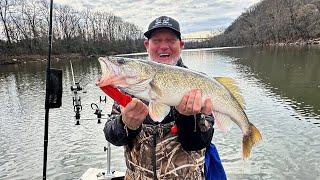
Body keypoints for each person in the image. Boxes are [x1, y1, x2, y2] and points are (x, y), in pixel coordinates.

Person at [103, 16, 223, 179]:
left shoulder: (199, 85)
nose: (163, 46)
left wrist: (187, 118)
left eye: (171, 40)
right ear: (147, 45)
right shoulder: (129, 87)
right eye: (157, 41)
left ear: (181, 45)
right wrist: (125, 124)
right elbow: (112, 137)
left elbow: (199, 143)